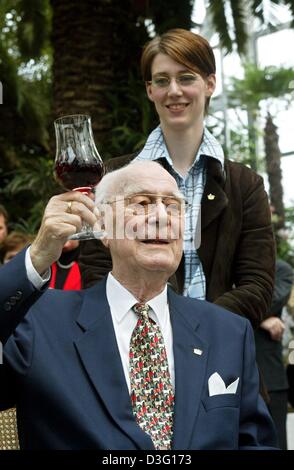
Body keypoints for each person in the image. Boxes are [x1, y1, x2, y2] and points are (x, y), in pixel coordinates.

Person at [0, 162, 276, 449]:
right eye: (142, 203)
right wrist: (37, 257)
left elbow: (254, 442)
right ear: (103, 227)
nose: (160, 216)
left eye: (172, 206)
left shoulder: (228, 332)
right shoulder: (39, 321)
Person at [79, 28, 275, 329]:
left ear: (209, 84)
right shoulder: (111, 177)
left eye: (186, 77)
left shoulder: (245, 185)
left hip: (218, 355)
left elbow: (258, 285)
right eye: (162, 80)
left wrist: (189, 330)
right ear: (149, 90)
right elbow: (96, 272)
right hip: (132, 349)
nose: (174, 90)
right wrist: (156, 330)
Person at [255, 258, 293, 449]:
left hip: (270, 378)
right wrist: (262, 320)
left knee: (275, 444)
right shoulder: (225, 268)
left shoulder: (281, 270)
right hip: (229, 377)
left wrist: (245, 310)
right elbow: (214, 303)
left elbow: (270, 302)